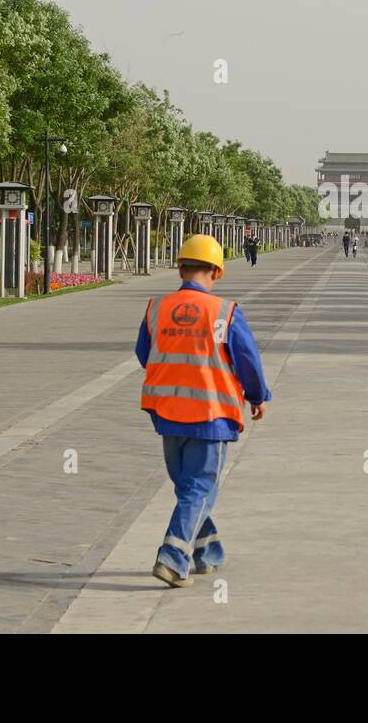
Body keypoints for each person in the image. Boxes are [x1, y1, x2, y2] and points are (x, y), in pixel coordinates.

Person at [135, 234, 270, 588]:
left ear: (180, 267)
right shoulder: (224, 312)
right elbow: (247, 361)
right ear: (218, 272)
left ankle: (206, 551)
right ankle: (172, 557)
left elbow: (144, 353)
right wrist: (257, 395)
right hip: (210, 416)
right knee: (198, 488)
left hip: (167, 415)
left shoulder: (156, 307)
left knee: (189, 487)